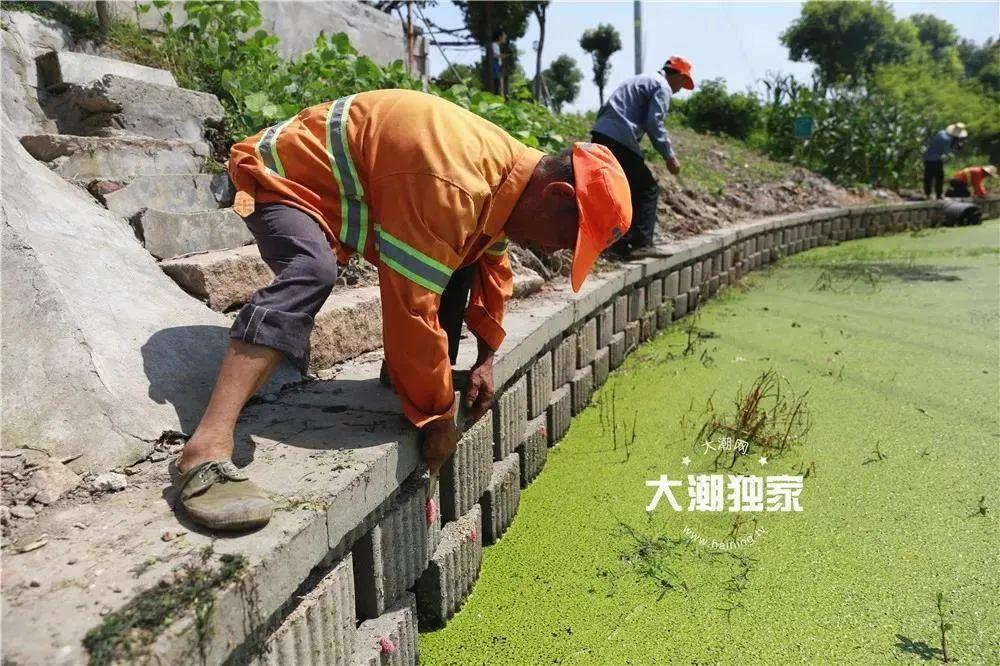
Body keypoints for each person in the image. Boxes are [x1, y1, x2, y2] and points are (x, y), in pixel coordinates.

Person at [169, 89, 631, 531]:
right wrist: (437, 417)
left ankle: (404, 378)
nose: (554, 253)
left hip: (363, 187)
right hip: (284, 176)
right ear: (556, 198)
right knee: (312, 270)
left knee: (463, 255)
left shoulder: (509, 174)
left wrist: (486, 359)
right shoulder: (454, 183)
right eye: (567, 241)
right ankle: (204, 451)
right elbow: (412, 308)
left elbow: (492, 265)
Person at [590, 56, 694, 259]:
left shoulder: (641, 79)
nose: (681, 89)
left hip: (602, 133)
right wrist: (669, 156)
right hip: (619, 137)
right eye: (683, 83)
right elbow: (654, 123)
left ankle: (617, 245)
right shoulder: (662, 86)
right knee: (647, 188)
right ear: (678, 76)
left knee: (620, 189)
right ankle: (640, 243)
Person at [923, 122, 967, 199]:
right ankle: (939, 195)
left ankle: (927, 195)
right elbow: (946, 152)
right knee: (939, 178)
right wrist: (956, 147)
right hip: (936, 160)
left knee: (928, 177)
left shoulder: (941, 132)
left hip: (927, 157)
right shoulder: (948, 140)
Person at [489, 28, 506, 96]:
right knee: (496, 86)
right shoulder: (494, 45)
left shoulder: (496, 45)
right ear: (500, 37)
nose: (505, 37)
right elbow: (494, 55)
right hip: (495, 67)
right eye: (504, 35)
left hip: (497, 67)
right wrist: (501, 56)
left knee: (498, 86)